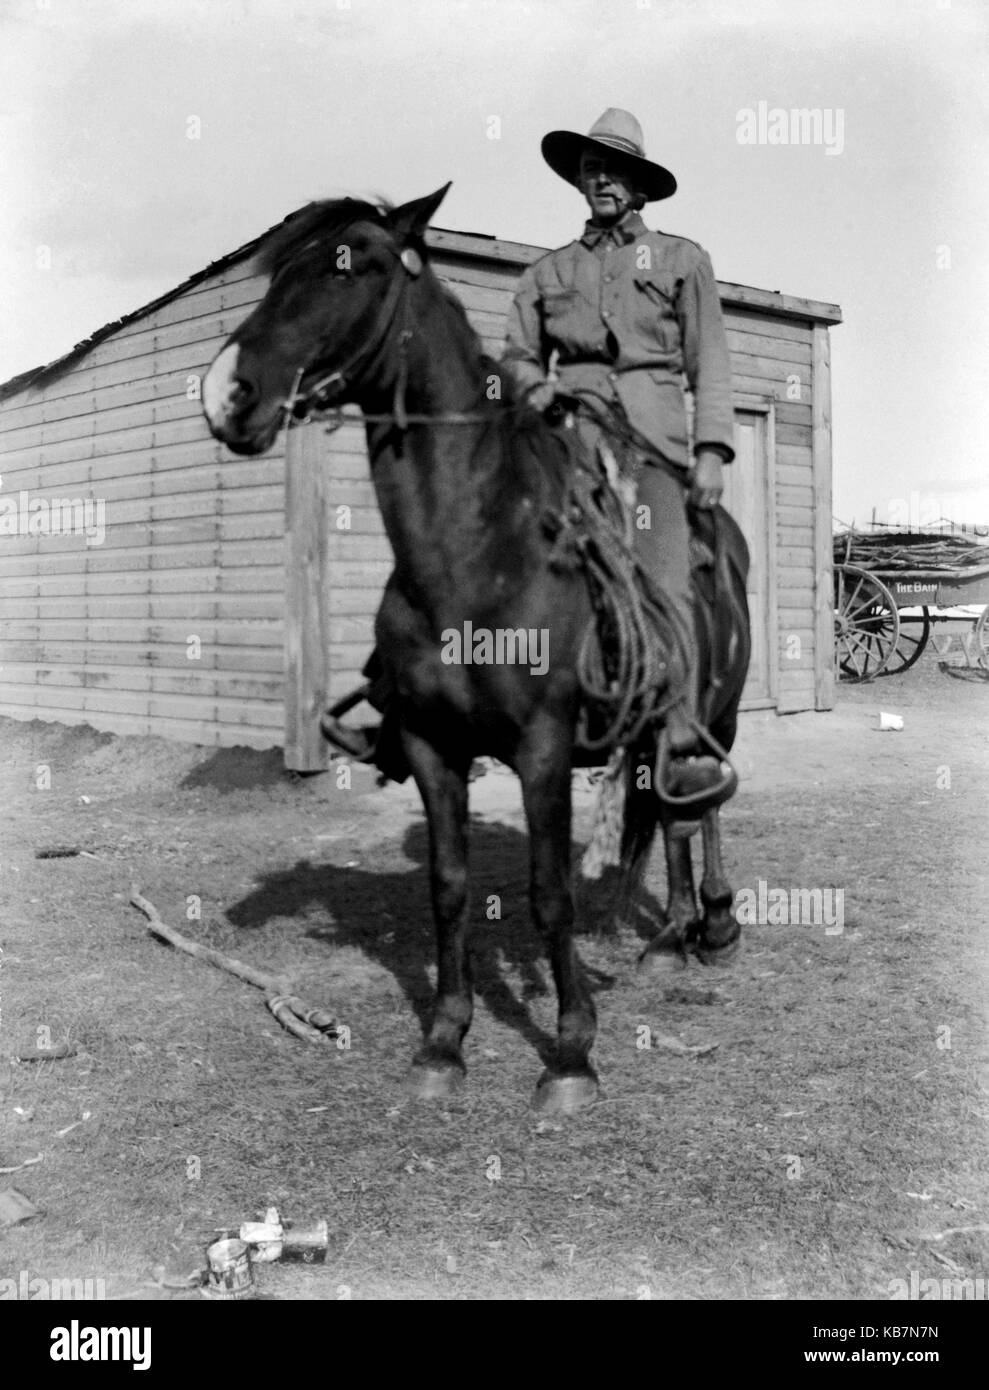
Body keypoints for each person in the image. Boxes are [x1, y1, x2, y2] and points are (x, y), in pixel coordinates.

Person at [501, 107, 736, 788]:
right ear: (578, 180)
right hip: (566, 444)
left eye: (614, 170)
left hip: (650, 453)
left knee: (663, 575)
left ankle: (682, 737)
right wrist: (533, 389)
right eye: (590, 167)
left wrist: (711, 451)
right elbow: (516, 356)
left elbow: (710, 362)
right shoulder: (546, 274)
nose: (600, 179)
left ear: (638, 186)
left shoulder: (680, 260)